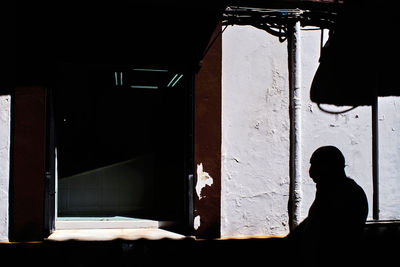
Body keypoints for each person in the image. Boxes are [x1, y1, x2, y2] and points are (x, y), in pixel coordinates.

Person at [287, 146, 368, 266]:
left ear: (329, 167)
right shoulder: (333, 192)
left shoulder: (344, 195)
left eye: (315, 166)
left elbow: (328, 233)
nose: (310, 173)